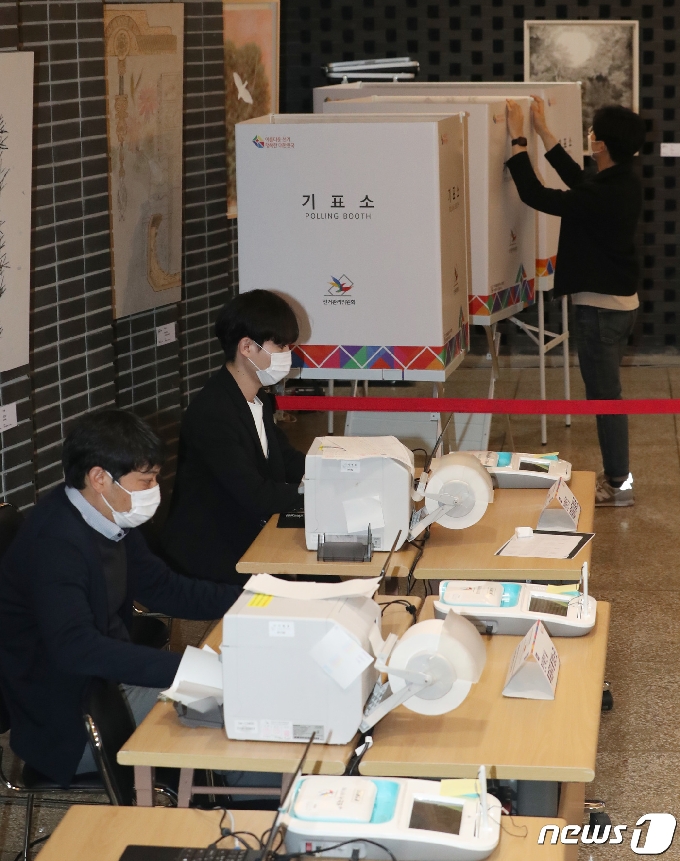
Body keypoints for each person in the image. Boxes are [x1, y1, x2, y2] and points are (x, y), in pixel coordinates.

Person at [0, 410, 240, 788]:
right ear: (99, 478)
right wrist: (188, 669)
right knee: (239, 714)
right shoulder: (55, 544)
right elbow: (77, 649)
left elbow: (165, 588)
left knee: (239, 702)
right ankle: (257, 806)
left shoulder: (107, 517)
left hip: (109, 684)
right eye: (145, 480)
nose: (154, 489)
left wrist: (253, 599)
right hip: (75, 719)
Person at [506, 97, 645, 507]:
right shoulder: (622, 181)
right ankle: (617, 477)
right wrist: (544, 131)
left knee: (606, 399)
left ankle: (618, 484)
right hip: (617, 305)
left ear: (600, 144)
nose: (589, 137)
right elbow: (580, 180)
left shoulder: (604, 194)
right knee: (607, 395)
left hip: (601, 312)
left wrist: (518, 140)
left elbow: (537, 195)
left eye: (592, 132)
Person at [162, 290, 305, 583]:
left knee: (325, 572)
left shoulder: (258, 400)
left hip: (248, 533)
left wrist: (332, 473)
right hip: (212, 553)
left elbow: (286, 459)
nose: (287, 354)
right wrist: (315, 492)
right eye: (279, 345)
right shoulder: (213, 412)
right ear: (247, 347)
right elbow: (255, 495)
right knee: (315, 580)